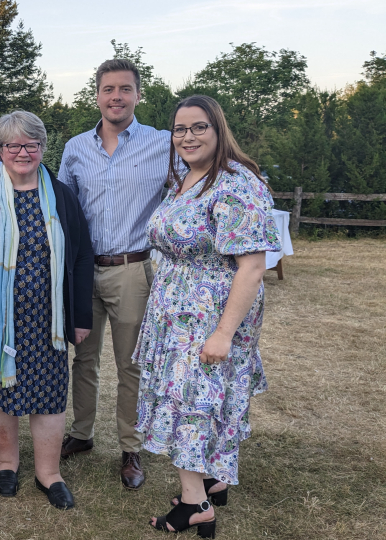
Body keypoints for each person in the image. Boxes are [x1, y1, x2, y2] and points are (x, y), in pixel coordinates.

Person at [135, 95, 280, 537]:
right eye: (180, 129)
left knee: (191, 403)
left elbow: (253, 266)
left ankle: (196, 504)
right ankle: (213, 480)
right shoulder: (188, 178)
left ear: (218, 130)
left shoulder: (236, 182)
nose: (188, 136)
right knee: (196, 397)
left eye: (199, 127)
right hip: (175, 312)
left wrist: (222, 333)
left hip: (207, 316)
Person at [0, 111, 93, 510]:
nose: (22, 152)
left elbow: (80, 257)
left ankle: (49, 473)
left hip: (48, 321)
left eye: (31, 144)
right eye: (14, 145)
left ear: (43, 149)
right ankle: (6, 463)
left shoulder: (62, 195)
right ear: (0, 150)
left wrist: (79, 317)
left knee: (47, 395)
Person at [57, 59, 171, 489]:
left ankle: (130, 447)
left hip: (132, 270)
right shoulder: (75, 147)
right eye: (108, 89)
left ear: (138, 95)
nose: (116, 97)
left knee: (130, 365)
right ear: (98, 95)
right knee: (82, 358)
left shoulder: (163, 144)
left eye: (125, 89)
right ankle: (82, 434)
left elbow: (192, 183)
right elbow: (64, 207)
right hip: (83, 270)